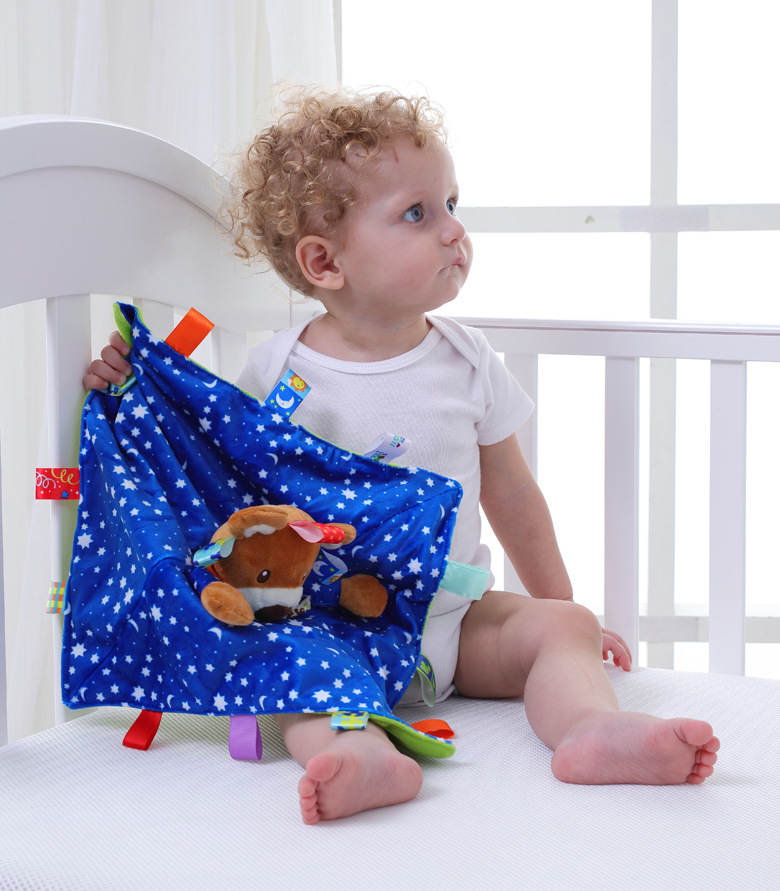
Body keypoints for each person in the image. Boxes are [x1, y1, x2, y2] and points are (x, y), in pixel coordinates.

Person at [84, 85, 719, 824]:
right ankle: (361, 757)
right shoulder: (276, 373)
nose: (454, 230)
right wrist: (133, 390)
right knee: (292, 672)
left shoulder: (469, 360)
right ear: (324, 261)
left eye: (451, 203)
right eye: (418, 213)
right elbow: (214, 469)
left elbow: (512, 493)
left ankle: (588, 726)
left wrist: (559, 602)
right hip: (338, 626)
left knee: (562, 628)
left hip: (458, 624)